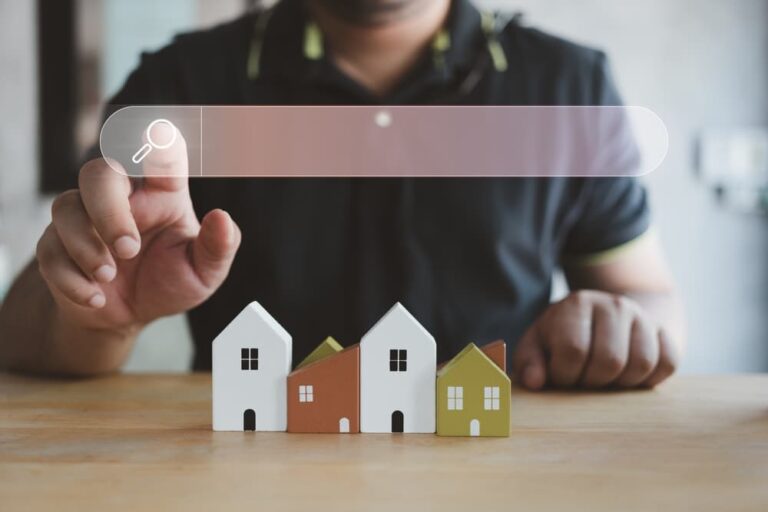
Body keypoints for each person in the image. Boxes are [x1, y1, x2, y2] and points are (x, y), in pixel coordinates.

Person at [0, 0, 684, 389]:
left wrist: (620, 323)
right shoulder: (181, 82)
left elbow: (652, 299)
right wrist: (101, 314)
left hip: (501, 474)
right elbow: (20, 333)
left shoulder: (570, 88)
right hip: (242, 483)